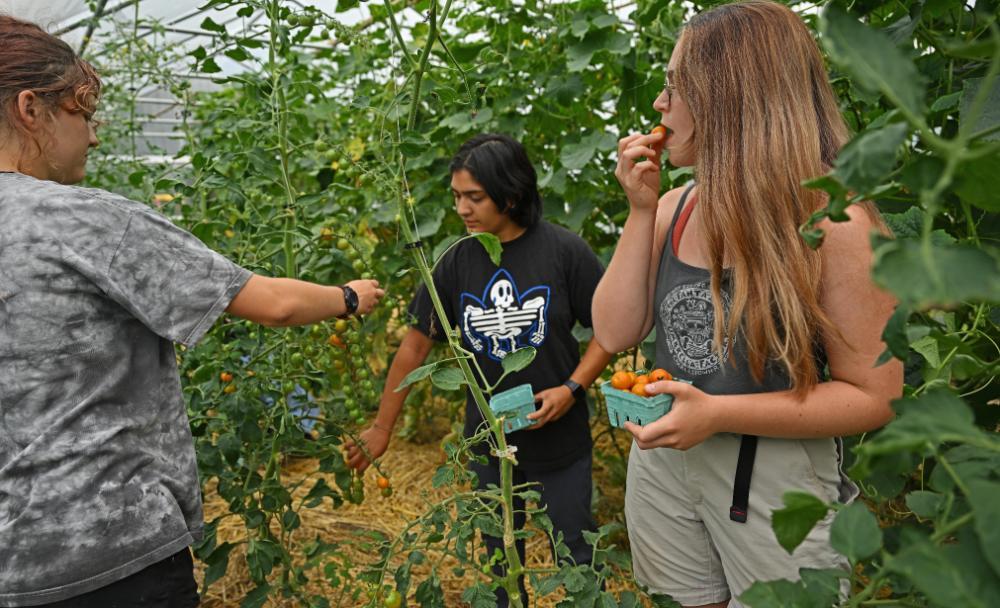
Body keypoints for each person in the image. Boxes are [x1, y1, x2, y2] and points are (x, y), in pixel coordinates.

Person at [0, 16, 385, 608]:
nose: (95, 136)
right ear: (31, 109)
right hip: (112, 554)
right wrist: (350, 297)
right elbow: (275, 305)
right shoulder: (84, 221)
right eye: (82, 114)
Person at [591, 2, 904, 606]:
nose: (660, 104)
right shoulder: (676, 206)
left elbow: (874, 396)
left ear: (730, 96)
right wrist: (638, 210)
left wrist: (718, 414)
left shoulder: (835, 224)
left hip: (773, 480)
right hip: (664, 461)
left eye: (675, 86)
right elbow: (613, 327)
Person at [345, 133, 612, 606]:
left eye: (475, 197)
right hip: (489, 442)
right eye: (456, 197)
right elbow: (414, 347)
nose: (462, 209)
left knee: (575, 556)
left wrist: (571, 388)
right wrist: (382, 426)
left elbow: (610, 331)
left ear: (510, 195)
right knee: (499, 566)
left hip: (560, 440)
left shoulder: (564, 252)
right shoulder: (454, 261)